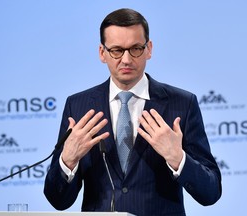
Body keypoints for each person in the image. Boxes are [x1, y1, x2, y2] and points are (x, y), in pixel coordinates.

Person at [44, 8, 222, 216]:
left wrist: (178, 158)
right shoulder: (79, 106)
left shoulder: (181, 104)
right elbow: (58, 201)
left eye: (136, 49)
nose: (127, 60)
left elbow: (211, 192)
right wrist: (68, 160)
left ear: (149, 49)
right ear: (102, 53)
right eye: (117, 50)